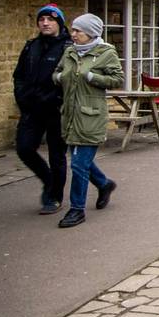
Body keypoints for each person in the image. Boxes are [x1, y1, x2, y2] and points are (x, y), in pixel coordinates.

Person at [51, 13, 123, 228]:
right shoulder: (70, 51)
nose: (73, 34)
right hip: (70, 114)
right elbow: (57, 72)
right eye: (73, 30)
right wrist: (59, 78)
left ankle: (77, 209)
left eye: (78, 31)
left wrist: (93, 77)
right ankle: (104, 184)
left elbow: (117, 79)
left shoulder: (106, 52)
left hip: (91, 115)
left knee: (78, 164)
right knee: (81, 161)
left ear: (91, 33)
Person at [14, 4, 71, 215]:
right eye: (41, 19)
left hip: (56, 109)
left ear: (59, 23)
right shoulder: (31, 46)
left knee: (57, 156)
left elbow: (71, 79)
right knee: (24, 148)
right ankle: (48, 179)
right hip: (31, 108)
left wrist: (57, 99)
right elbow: (19, 75)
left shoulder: (68, 47)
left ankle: (54, 197)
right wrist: (21, 97)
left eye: (50, 19)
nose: (45, 23)